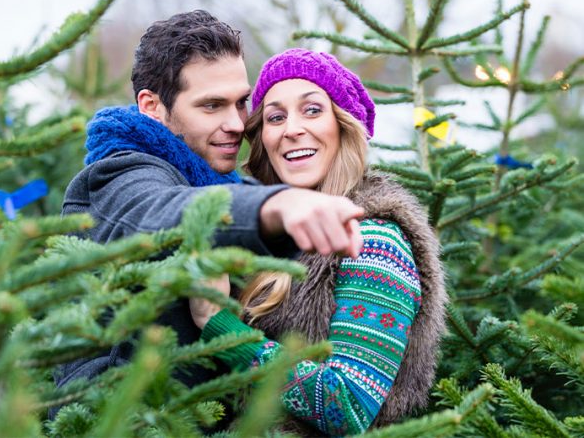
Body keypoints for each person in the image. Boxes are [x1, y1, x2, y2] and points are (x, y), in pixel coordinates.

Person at [56, 12, 367, 413]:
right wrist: (276, 203)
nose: (237, 124)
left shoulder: (214, 180)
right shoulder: (118, 176)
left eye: (241, 103)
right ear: (152, 106)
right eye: (212, 106)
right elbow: (158, 212)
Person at [192, 48, 447, 436]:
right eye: (276, 117)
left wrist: (220, 327)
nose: (292, 128)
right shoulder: (268, 236)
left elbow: (348, 406)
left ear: (343, 126)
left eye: (312, 110)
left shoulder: (372, 239)